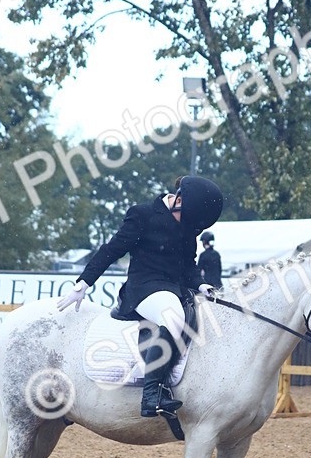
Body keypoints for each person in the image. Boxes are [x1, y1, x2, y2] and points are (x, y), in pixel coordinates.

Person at [57, 175, 224, 418]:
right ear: (177, 200)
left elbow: (188, 265)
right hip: (143, 287)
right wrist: (84, 282)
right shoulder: (143, 215)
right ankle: (151, 394)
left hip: (174, 288)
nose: (189, 229)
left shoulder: (188, 224)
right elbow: (111, 250)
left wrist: (202, 286)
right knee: (172, 316)